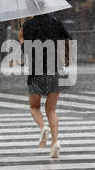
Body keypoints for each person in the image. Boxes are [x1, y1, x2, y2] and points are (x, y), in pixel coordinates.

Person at [18, 12, 72, 159]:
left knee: (34, 107)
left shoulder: (28, 25)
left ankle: (43, 127)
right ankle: (55, 142)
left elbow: (27, 51)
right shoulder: (55, 22)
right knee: (51, 110)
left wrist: (21, 38)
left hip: (37, 71)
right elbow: (67, 41)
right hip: (55, 69)